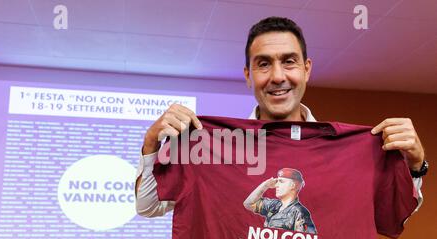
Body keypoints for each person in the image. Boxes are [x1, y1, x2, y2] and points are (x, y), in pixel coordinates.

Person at [135, 16, 426, 222]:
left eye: (289, 61)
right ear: (248, 75)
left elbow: (391, 212)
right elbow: (147, 206)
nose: (277, 76)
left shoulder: (350, 153)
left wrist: (415, 167)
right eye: (264, 64)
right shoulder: (216, 147)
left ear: (306, 69)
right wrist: (151, 142)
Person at [243, 168, 317, 234]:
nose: (276, 185)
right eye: (277, 181)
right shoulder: (273, 205)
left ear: (293, 185)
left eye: (281, 181)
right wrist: (265, 185)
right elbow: (248, 204)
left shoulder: (299, 212)